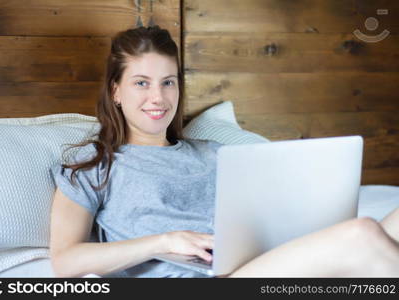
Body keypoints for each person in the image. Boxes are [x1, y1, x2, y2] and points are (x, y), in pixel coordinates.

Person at [49, 25, 399, 278]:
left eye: (168, 82)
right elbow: (65, 262)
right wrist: (165, 241)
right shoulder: (93, 167)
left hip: (266, 260)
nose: (158, 97)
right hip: (212, 281)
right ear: (116, 92)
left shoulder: (217, 153)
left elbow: (268, 215)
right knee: (362, 234)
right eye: (141, 83)